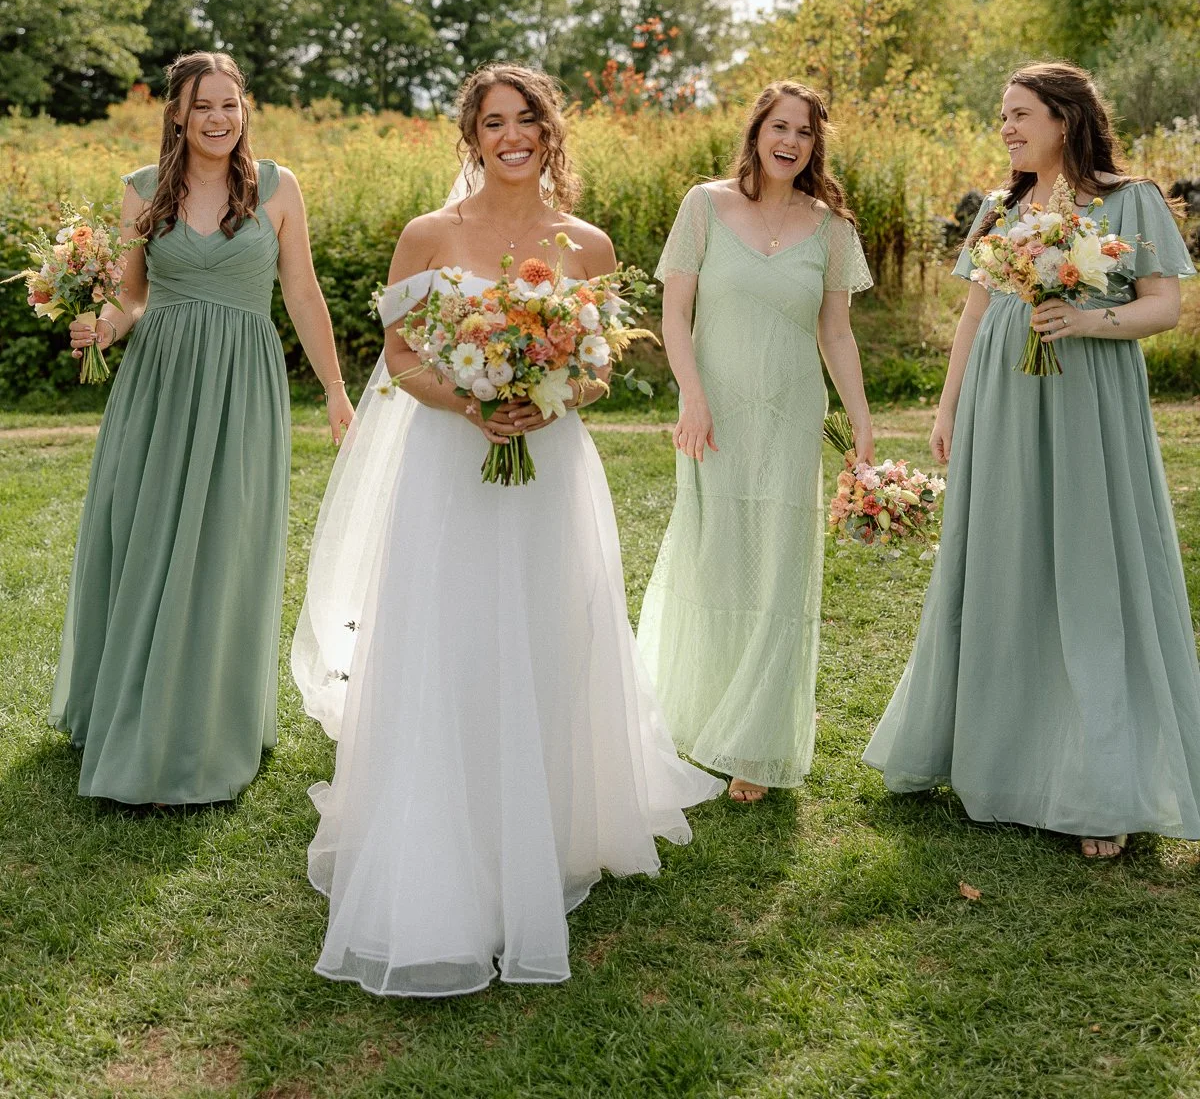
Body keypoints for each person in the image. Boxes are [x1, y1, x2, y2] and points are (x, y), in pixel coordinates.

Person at [295, 62, 722, 997]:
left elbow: (603, 367)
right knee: (450, 644)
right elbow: (400, 359)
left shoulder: (588, 243)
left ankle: (548, 824)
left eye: (526, 119)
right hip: (449, 467)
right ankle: (445, 832)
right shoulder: (429, 234)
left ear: (549, 131)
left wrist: (548, 393)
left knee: (544, 635)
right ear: (473, 136)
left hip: (551, 466)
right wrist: (470, 402)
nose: (511, 135)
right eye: (494, 122)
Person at [864, 61, 1200, 859]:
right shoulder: (997, 207)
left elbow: (1164, 305)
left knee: (1089, 568)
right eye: (1002, 117)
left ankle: (1099, 784)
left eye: (1020, 114)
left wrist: (1088, 323)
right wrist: (947, 410)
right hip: (1000, 405)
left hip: (1088, 400)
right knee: (1006, 565)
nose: (1007, 129)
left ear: (1065, 117)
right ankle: (995, 755)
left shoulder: (1132, 198)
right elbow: (975, 315)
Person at [52, 50, 353, 805]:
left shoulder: (279, 189)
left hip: (242, 385)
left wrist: (337, 390)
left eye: (231, 104)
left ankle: (210, 721)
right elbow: (130, 297)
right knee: (147, 537)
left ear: (244, 110)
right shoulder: (140, 191)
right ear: (177, 114)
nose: (220, 118)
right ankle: (128, 708)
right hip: (159, 385)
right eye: (204, 105)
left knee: (226, 540)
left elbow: (303, 292)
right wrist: (102, 330)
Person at [636, 81, 875, 803]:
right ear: (757, 131)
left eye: (804, 131)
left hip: (792, 416)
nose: (790, 141)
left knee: (778, 570)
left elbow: (835, 330)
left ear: (814, 144)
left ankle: (756, 741)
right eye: (780, 126)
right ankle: (698, 711)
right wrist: (693, 396)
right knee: (712, 561)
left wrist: (861, 421)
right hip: (715, 414)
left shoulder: (833, 227)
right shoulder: (704, 206)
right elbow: (675, 313)